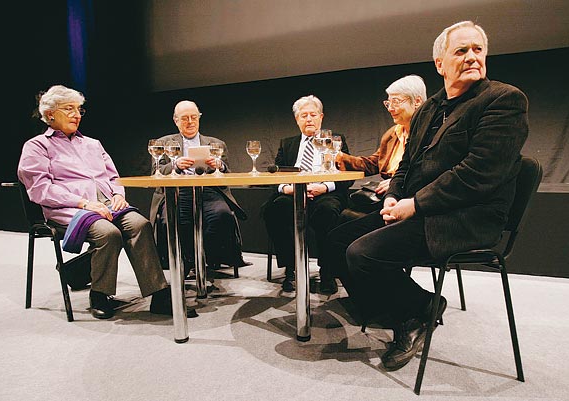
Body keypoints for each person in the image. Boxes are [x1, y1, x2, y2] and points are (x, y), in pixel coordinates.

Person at [326, 21, 529, 370]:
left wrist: (415, 204)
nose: (471, 57)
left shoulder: (504, 100)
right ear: (440, 64)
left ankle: (419, 309)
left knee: (363, 254)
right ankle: (395, 305)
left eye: (477, 50)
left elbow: (477, 174)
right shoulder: (429, 109)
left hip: (468, 216)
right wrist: (394, 195)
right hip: (420, 209)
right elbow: (406, 164)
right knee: (334, 243)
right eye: (461, 50)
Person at [17, 85, 176, 320]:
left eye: (79, 109)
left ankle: (159, 293)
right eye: (68, 109)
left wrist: (118, 194)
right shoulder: (37, 146)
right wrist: (83, 203)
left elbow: (112, 177)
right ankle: (100, 294)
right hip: (69, 206)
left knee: (140, 224)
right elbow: (41, 189)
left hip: (107, 203)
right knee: (107, 233)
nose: (76, 114)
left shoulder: (93, 143)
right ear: (50, 114)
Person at [263, 95, 353, 294]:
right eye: (304, 115)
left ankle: (327, 271)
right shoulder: (287, 144)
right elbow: (275, 175)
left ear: (321, 117)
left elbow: (348, 175)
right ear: (297, 119)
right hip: (293, 193)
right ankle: (291, 269)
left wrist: (325, 187)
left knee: (328, 211)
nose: (309, 119)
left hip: (325, 192)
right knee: (275, 209)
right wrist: (287, 189)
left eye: (313, 114)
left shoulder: (335, 140)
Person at [149, 100, 249, 277]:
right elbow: (156, 174)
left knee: (222, 215)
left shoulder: (216, 143)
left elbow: (226, 176)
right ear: (176, 120)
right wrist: (176, 166)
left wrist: (219, 166)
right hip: (178, 191)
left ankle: (202, 259)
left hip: (209, 191)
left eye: (194, 117)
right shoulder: (163, 143)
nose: (190, 122)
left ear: (199, 118)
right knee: (173, 220)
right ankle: (190, 260)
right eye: (185, 118)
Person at [336, 75, 426, 214]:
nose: (390, 108)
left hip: (411, 199)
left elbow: (430, 172)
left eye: (396, 102)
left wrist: (396, 183)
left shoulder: (431, 132)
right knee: (344, 214)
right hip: (388, 195)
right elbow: (375, 163)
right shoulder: (392, 134)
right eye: (388, 103)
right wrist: (340, 157)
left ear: (417, 101)